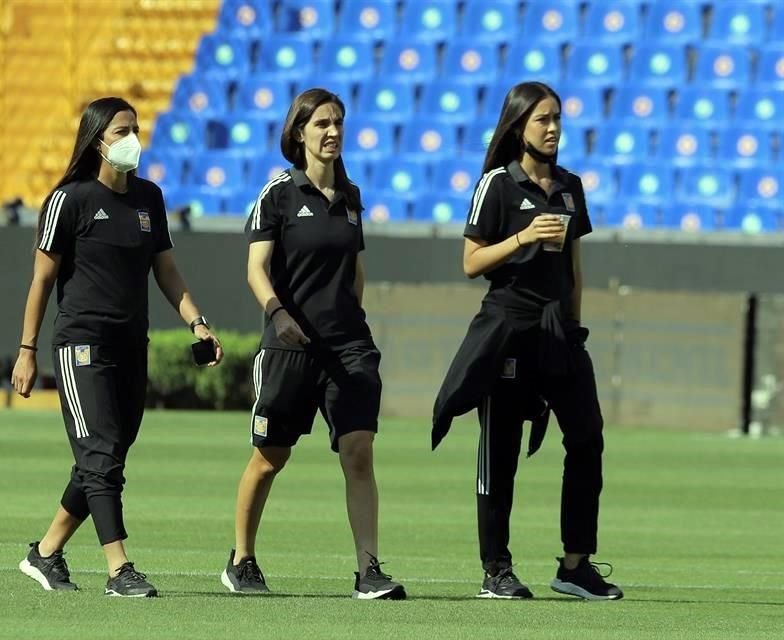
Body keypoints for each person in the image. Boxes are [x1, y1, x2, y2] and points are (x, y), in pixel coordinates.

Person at [11, 96, 223, 598]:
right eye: (121, 131)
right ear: (96, 141)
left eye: (135, 129)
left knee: (106, 459)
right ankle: (119, 568)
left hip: (132, 347)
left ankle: (44, 553)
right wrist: (27, 350)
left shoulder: (149, 198)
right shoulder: (71, 199)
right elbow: (42, 280)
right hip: (82, 346)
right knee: (100, 456)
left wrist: (198, 323)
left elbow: (167, 271)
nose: (133, 140)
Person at [432, 82, 623, 601]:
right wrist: (521, 237)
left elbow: (575, 267)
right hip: (507, 332)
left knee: (587, 437)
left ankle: (575, 564)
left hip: (559, 333)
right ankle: (496, 568)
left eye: (558, 117)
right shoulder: (495, 184)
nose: (554, 128)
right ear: (519, 126)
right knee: (501, 451)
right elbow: (470, 262)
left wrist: (575, 327)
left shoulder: (569, 186)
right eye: (543, 119)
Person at [220, 88, 405, 600]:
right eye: (322, 123)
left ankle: (369, 570)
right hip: (289, 349)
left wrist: (352, 322)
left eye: (339, 123)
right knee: (269, 458)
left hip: (348, 349)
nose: (333, 132)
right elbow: (256, 269)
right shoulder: (277, 194)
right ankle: (242, 559)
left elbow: (356, 272)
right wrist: (278, 315)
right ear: (298, 132)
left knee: (359, 452)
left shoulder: (351, 199)